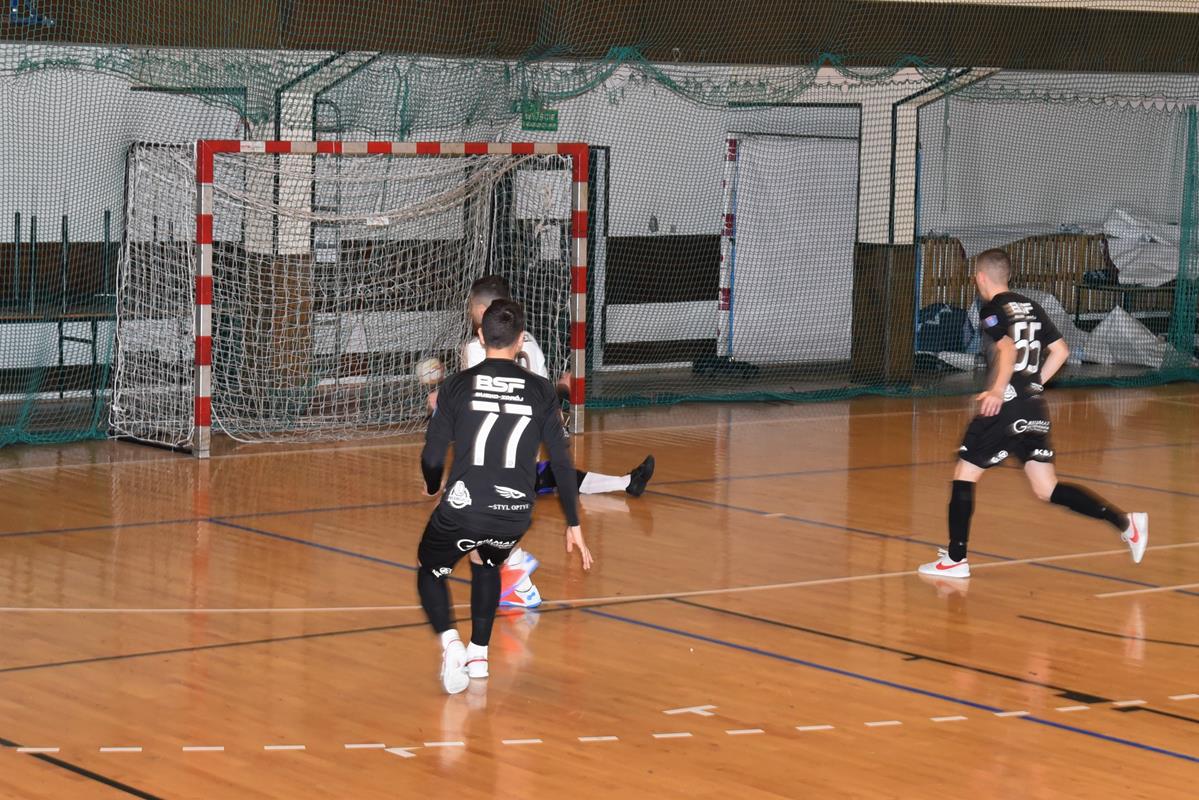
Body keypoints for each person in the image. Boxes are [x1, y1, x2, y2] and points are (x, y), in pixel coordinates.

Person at [918, 248, 1147, 580]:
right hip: (1032, 404)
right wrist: (1034, 384)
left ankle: (955, 559)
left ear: (980, 278)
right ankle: (1126, 523)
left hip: (1006, 405)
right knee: (1046, 488)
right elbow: (1061, 351)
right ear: (1007, 275)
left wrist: (998, 389)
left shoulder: (991, 309)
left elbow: (1007, 348)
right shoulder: (1031, 306)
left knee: (965, 473)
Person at [435, 274, 654, 610]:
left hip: (492, 454)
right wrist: (560, 392)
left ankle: (517, 567)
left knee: (471, 518)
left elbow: (477, 403)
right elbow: (535, 396)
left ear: (481, 312)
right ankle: (518, 584)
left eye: (470, 306)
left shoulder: (475, 349)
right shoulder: (531, 344)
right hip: (526, 451)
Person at [418, 299, 592, 694]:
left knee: (430, 570)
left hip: (463, 507)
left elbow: (432, 456)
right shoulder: (541, 390)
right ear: (520, 341)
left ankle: (452, 645)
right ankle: (479, 654)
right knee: (486, 563)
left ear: (481, 336)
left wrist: (431, 485)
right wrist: (574, 522)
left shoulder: (457, 385)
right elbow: (561, 463)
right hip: (513, 512)